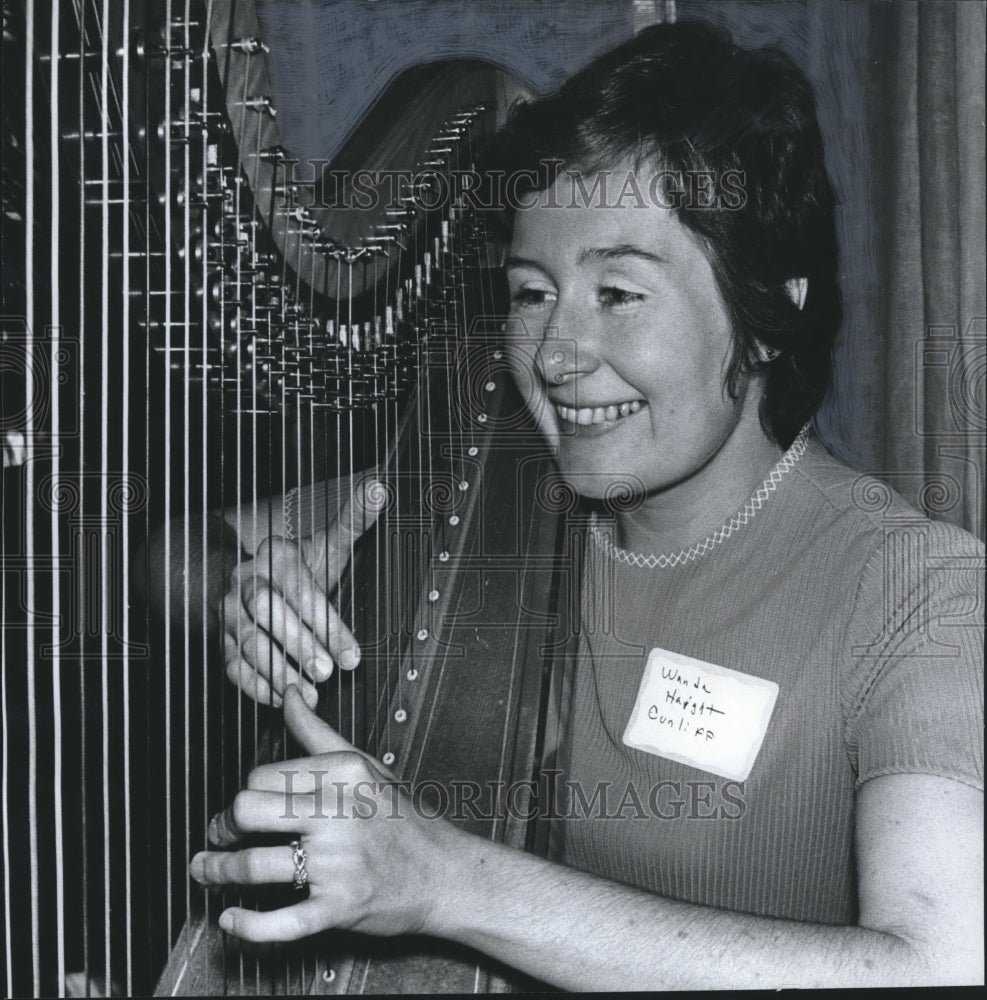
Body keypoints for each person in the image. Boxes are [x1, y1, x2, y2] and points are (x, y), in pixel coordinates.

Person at [187, 22, 984, 989]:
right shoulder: (469, 490)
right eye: (530, 293)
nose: (555, 355)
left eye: (616, 292)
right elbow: (161, 554)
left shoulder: (916, 587)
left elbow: (940, 964)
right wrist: (245, 599)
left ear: (769, 313)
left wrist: (447, 881)